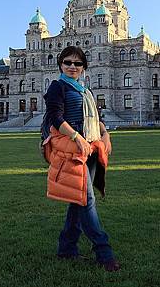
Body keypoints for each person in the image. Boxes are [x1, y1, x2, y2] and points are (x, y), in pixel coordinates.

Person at [42, 46, 119, 272]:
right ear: (60, 65)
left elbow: (98, 117)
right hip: (73, 148)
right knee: (87, 200)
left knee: (78, 201)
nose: (72, 67)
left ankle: (66, 249)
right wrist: (76, 137)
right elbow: (56, 118)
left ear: (84, 67)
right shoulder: (57, 87)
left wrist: (105, 134)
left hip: (92, 146)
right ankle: (104, 252)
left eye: (77, 63)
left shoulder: (86, 91)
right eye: (67, 62)